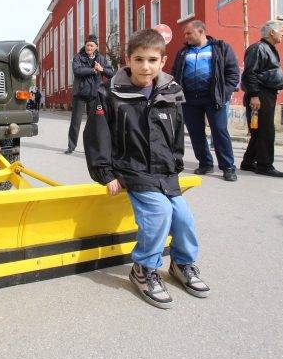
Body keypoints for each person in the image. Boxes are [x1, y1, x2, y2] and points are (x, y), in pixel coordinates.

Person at [84, 29, 209, 309]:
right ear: (128, 60)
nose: (145, 66)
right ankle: (143, 268)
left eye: (152, 60)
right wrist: (106, 174)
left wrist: (175, 164)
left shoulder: (171, 91)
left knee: (184, 217)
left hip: (164, 172)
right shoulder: (110, 93)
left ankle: (182, 264)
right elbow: (97, 136)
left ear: (162, 61)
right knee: (159, 213)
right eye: (139, 59)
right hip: (133, 170)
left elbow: (177, 134)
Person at [171, 20, 240, 181]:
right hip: (189, 100)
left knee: (219, 131)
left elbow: (233, 73)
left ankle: (228, 167)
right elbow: (175, 73)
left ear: (201, 31)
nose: (186, 37)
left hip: (213, 98)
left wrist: (225, 92)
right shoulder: (183, 52)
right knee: (196, 133)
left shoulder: (220, 48)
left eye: (189, 33)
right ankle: (205, 163)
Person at [240, 20, 283, 177]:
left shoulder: (268, 48)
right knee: (265, 131)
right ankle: (265, 165)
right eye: (281, 31)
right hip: (260, 95)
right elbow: (249, 73)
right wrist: (254, 95)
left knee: (259, 130)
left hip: (265, 94)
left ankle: (248, 162)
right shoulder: (258, 48)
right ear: (272, 33)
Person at [65, 34, 114, 154]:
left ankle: (92, 148)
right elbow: (77, 71)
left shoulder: (101, 59)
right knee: (75, 122)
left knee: (93, 122)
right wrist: (93, 70)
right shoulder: (78, 57)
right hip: (80, 94)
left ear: (96, 47)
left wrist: (101, 69)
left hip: (94, 95)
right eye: (87, 45)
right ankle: (71, 146)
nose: (89, 47)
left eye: (91, 45)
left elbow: (111, 73)